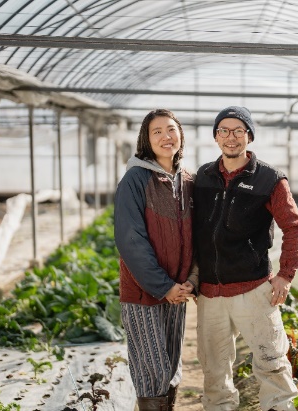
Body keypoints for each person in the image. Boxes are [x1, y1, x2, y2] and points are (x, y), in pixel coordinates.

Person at [193, 106, 298, 411]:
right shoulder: (202, 176)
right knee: (214, 371)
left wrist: (285, 274)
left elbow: (294, 228)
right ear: (215, 137)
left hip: (253, 290)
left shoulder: (270, 179)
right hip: (210, 293)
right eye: (224, 131)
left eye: (238, 131)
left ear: (249, 136)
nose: (231, 138)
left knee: (271, 364)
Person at [114, 109, 197, 411]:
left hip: (178, 290)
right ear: (146, 140)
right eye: (157, 131)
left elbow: (196, 235)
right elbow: (130, 241)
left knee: (172, 366)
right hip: (144, 291)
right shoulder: (135, 180)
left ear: (180, 134)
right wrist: (164, 286)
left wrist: (190, 281)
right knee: (153, 371)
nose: (166, 136)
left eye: (171, 129)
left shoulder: (187, 179)